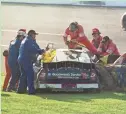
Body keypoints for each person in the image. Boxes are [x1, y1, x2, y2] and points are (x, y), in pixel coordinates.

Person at [17, 30, 45, 95]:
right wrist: (41, 51)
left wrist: (40, 50)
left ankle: (20, 90)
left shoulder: (26, 40)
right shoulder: (28, 41)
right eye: (34, 35)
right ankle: (31, 91)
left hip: (21, 59)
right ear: (31, 34)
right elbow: (33, 49)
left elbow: (36, 47)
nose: (35, 36)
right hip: (26, 60)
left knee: (23, 75)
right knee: (30, 74)